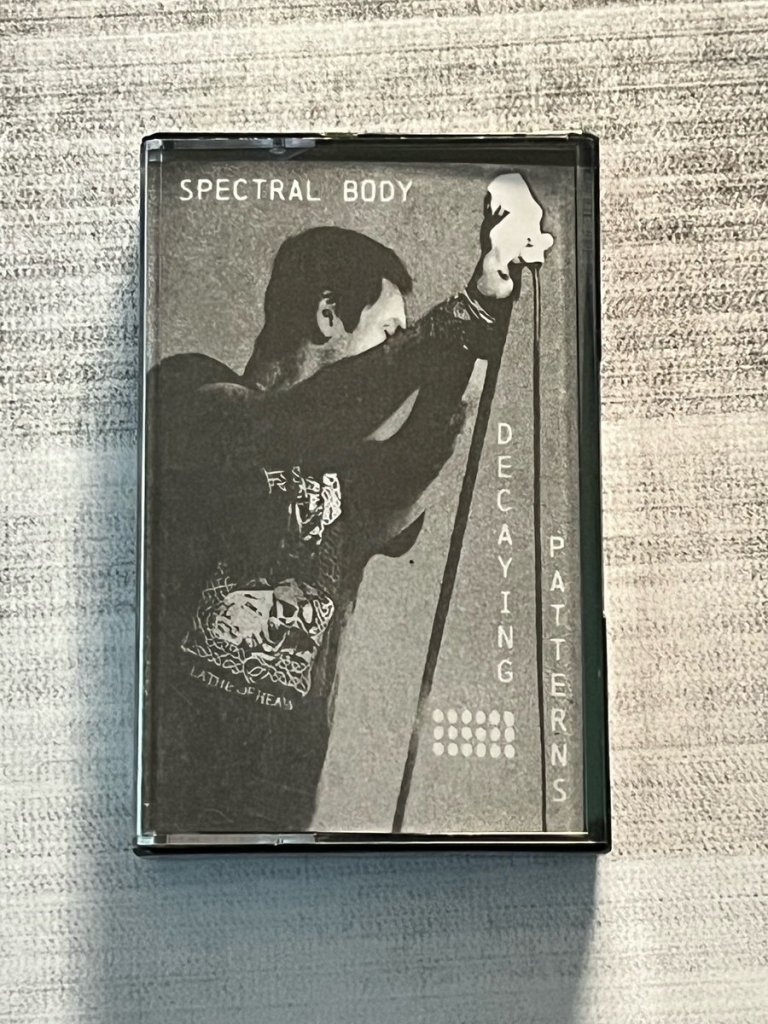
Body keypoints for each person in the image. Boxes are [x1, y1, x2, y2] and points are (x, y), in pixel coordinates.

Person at [146, 176, 551, 834]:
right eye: (391, 334)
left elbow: (428, 442)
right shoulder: (188, 397)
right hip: (176, 797)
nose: (399, 356)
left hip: (278, 814)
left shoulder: (348, 475)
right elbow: (290, 423)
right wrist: (466, 311)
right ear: (329, 315)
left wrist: (492, 303)